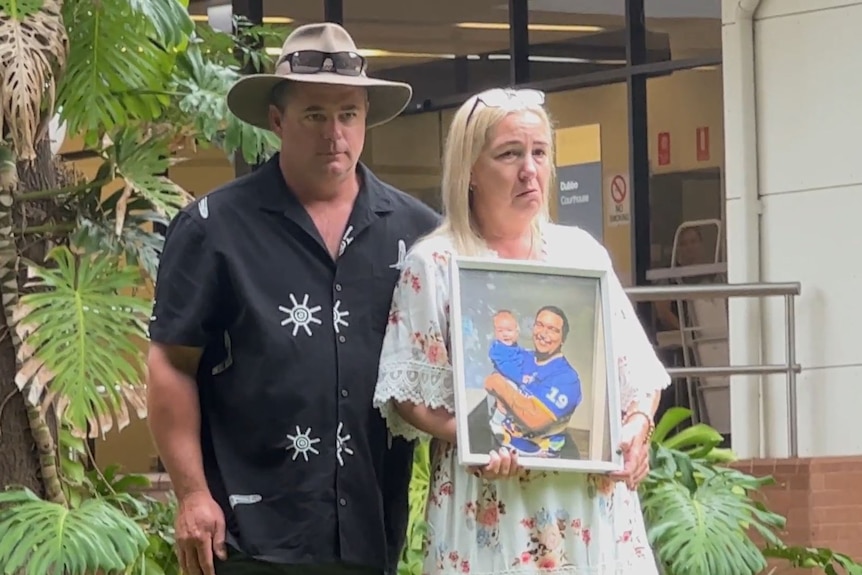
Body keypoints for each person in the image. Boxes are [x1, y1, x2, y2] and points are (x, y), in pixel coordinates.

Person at [146, 22, 440, 575]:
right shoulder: (214, 229)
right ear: (277, 120)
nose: (335, 133)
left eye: (348, 115)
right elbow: (170, 362)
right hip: (249, 536)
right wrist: (190, 493)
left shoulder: (420, 234)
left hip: (371, 533)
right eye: (314, 115)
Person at [372, 87, 671, 574]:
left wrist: (638, 428)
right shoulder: (435, 262)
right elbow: (411, 392)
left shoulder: (582, 254)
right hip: (491, 501)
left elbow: (636, 374)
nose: (529, 170)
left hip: (586, 506)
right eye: (509, 154)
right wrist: (477, 439)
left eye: (539, 153)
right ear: (469, 170)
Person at [485, 305, 582, 458]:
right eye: (539, 325)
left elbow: (534, 419)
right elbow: (489, 380)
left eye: (553, 329)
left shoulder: (567, 378)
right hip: (502, 452)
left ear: (562, 339)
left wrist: (499, 385)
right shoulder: (521, 356)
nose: (544, 333)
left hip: (540, 464)